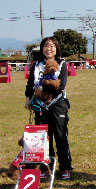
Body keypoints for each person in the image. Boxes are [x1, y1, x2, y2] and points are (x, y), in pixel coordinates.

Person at [25, 37, 73, 180]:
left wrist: (42, 88)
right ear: (42, 48)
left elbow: (61, 85)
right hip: (40, 105)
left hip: (58, 104)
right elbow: (30, 84)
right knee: (43, 138)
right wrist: (28, 98)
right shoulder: (37, 65)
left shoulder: (62, 63)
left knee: (60, 135)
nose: (48, 49)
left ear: (56, 48)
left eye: (51, 46)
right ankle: (46, 167)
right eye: (46, 46)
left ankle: (65, 167)